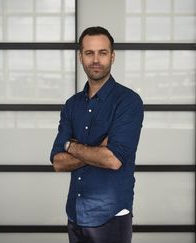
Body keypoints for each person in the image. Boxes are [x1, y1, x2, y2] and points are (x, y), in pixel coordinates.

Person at [50, 26, 144, 243]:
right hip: (75, 213)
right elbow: (57, 162)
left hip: (111, 215)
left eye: (102, 53)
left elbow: (112, 160)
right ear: (80, 57)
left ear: (112, 56)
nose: (96, 60)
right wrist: (96, 150)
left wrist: (70, 146)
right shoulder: (72, 105)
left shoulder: (128, 102)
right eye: (89, 53)